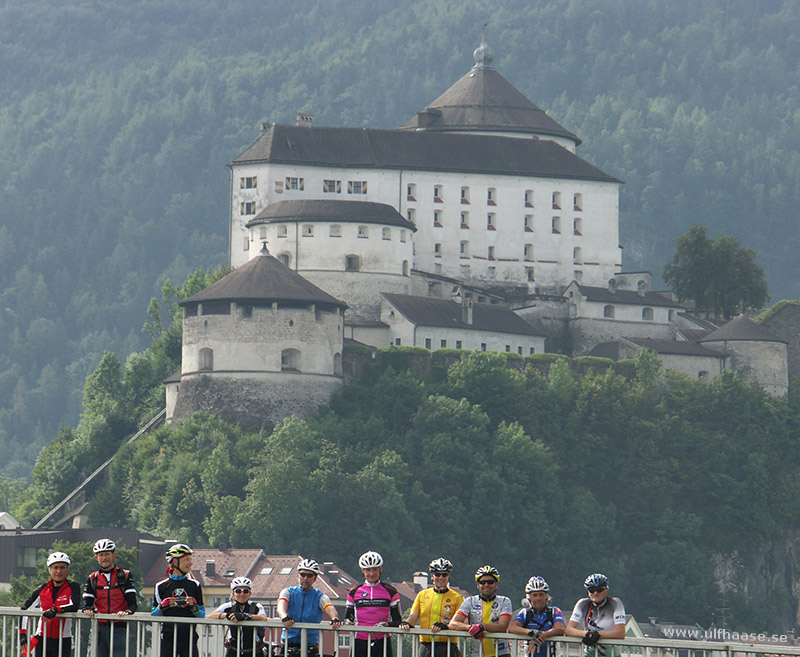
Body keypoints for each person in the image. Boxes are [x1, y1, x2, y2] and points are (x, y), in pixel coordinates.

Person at [83, 539, 138, 657]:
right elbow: (87, 603)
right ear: (96, 557)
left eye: (107, 554)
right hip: (99, 628)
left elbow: (133, 603)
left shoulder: (125, 575)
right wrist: (88, 609)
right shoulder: (93, 578)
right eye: (101, 555)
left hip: (119, 628)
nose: (104, 558)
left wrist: (127, 611)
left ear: (113, 555)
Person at [20, 551, 81, 657]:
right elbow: (25, 609)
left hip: (63, 639)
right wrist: (22, 634)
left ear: (67, 570)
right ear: (50, 570)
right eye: (55, 567)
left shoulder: (73, 587)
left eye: (62, 567)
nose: (59, 571)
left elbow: (74, 606)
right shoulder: (42, 589)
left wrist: (55, 610)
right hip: (42, 638)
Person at [277, 559, 342, 656]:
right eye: (303, 574)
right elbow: (281, 606)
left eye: (310, 575)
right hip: (288, 643)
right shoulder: (288, 592)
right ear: (298, 575)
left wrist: (334, 618)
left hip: (310, 645)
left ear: (315, 578)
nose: (305, 578)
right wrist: (284, 617)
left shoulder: (320, 596)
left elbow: (330, 608)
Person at [399, 558, 463, 657]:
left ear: (448, 576)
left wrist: (446, 627)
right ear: (432, 577)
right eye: (437, 574)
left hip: (448, 646)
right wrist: (406, 623)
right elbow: (412, 618)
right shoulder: (422, 595)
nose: (441, 578)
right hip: (426, 645)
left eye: (444, 575)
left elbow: (462, 623)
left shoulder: (457, 598)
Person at [151, 544, 206, 657]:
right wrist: (161, 606)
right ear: (175, 562)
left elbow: (202, 615)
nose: (190, 563)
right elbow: (154, 614)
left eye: (190, 559)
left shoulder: (195, 585)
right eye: (187, 559)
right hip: (168, 637)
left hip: (189, 637)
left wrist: (194, 607)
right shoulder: (160, 586)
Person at [345, 551, 402, 657]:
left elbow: (398, 621)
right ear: (362, 571)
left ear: (380, 569)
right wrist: (348, 622)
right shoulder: (354, 592)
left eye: (374, 569)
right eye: (367, 570)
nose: (371, 574)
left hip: (382, 641)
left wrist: (387, 624)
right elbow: (348, 618)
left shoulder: (391, 591)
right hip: (360, 640)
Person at [449, 566, 512, 657]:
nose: (486, 585)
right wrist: (470, 627)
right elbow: (453, 624)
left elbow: (502, 627)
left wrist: (482, 627)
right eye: (482, 582)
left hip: (501, 653)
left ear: (496, 585)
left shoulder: (504, 601)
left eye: (490, 582)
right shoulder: (470, 601)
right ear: (478, 585)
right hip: (477, 653)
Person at [565, 573, 625, 657]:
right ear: (588, 592)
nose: (595, 593)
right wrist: (586, 634)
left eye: (600, 590)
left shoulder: (615, 603)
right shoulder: (583, 603)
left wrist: (598, 635)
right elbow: (569, 630)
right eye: (592, 590)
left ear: (607, 591)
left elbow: (621, 633)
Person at [208, 577, 268, 657]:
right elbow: (210, 616)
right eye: (238, 591)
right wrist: (227, 615)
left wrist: (246, 616)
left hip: (254, 651)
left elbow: (263, 618)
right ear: (233, 593)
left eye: (245, 591)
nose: (242, 594)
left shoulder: (256, 606)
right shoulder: (228, 606)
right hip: (233, 650)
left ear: (250, 593)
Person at [508, 577, 564, 657]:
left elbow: (560, 629)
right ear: (529, 599)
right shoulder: (525, 612)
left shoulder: (554, 611)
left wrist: (543, 635)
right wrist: (532, 633)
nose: (538, 598)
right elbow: (512, 628)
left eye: (541, 595)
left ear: (546, 597)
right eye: (535, 595)